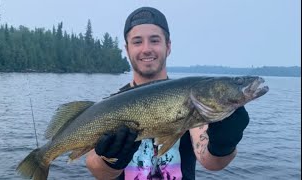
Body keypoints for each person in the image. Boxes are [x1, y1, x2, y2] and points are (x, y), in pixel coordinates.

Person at [86, 6, 249, 180]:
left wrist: (224, 145)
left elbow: (212, 163)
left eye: (154, 40)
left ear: (168, 46)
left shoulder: (190, 98)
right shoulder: (113, 105)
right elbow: (96, 170)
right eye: (137, 41)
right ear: (127, 50)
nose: (146, 49)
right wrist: (111, 162)